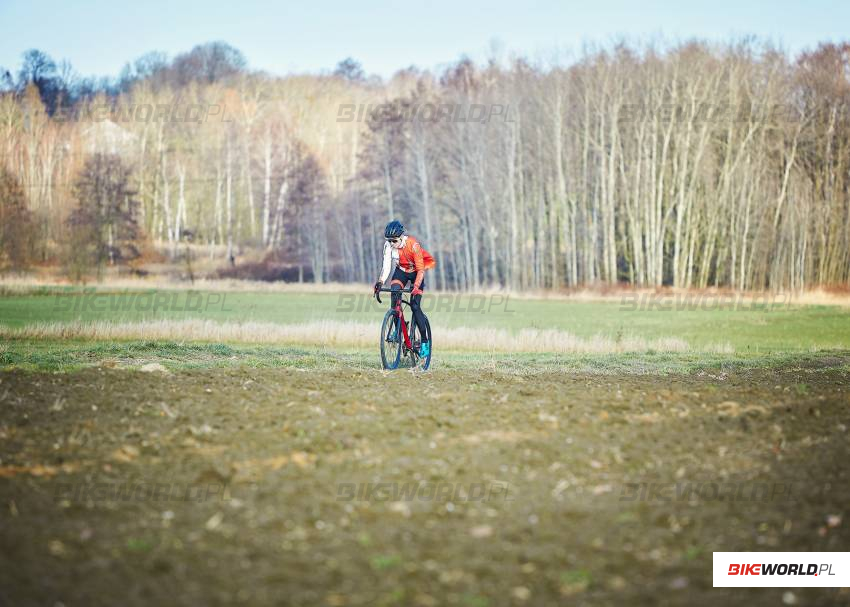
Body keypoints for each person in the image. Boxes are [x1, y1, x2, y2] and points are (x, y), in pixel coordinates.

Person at [373, 220, 436, 357]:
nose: (391, 243)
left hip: (416, 273)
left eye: (394, 241)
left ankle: (424, 341)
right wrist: (380, 282)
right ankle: (398, 329)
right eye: (389, 241)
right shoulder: (388, 246)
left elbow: (421, 270)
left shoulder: (413, 245)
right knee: (394, 295)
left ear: (401, 237)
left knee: (415, 306)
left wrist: (416, 286)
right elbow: (386, 266)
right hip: (401, 272)